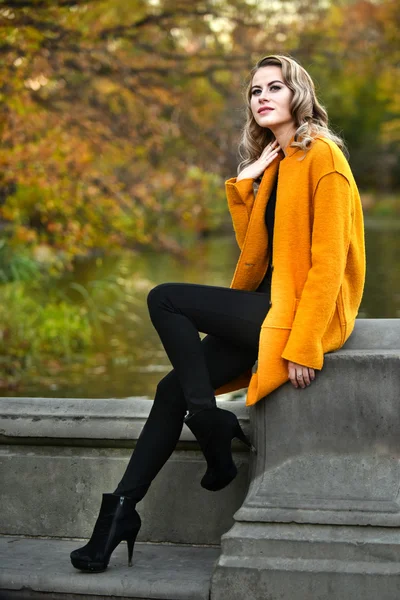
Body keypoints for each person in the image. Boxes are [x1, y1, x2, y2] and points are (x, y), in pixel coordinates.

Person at [70, 54, 366, 572]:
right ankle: (119, 514)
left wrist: (305, 344)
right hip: (267, 305)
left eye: (275, 86)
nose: (263, 97)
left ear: (299, 94)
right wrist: (247, 180)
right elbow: (255, 254)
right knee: (169, 390)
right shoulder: (278, 160)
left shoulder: (324, 157)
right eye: (255, 91)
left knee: (164, 297)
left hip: (295, 315)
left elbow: (328, 263)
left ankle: (208, 419)